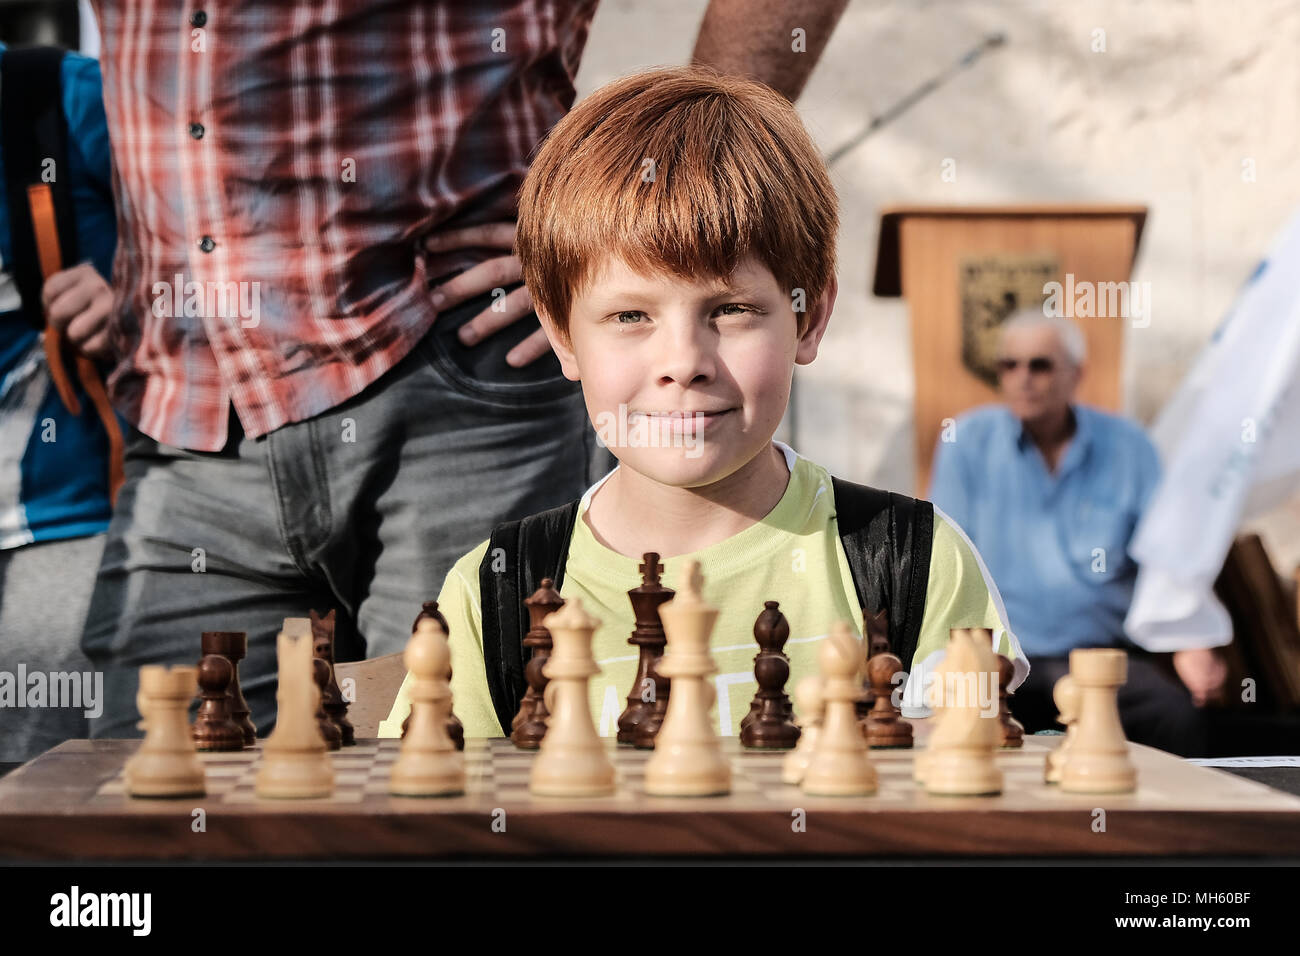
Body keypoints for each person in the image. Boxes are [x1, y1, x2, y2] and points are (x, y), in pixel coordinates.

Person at [81, 0, 852, 738]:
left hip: (462, 387)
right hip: (187, 407)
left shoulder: (896, 560)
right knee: (155, 815)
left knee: (451, 808)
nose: (685, 358)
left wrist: (665, 208)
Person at [380, 65, 1025, 738]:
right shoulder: (495, 591)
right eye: (631, 316)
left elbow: (972, 808)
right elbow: (441, 825)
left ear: (809, 318)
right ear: (562, 337)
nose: (684, 362)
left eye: (733, 309)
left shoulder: (915, 562)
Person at [929, 309, 1226, 757]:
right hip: (1001, 663)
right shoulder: (966, 442)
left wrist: (1190, 640)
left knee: (1178, 717)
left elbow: (1166, 555)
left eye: (1040, 365)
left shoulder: (1131, 447)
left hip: (1102, 661)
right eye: (1009, 365)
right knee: (949, 736)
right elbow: (945, 561)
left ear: (1076, 373)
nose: (1023, 378)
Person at [0, 44, 118, 761]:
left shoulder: (62, 95)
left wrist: (132, 298)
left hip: (63, 524)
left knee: (40, 800)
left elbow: (235, 235)